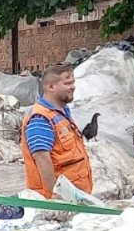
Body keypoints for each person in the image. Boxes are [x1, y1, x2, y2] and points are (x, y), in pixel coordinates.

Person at [20, 63, 93, 197]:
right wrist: (57, 195)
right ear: (51, 86)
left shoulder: (61, 112)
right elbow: (41, 157)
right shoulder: (40, 118)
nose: (73, 87)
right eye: (67, 83)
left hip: (75, 197)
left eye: (73, 83)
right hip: (58, 201)